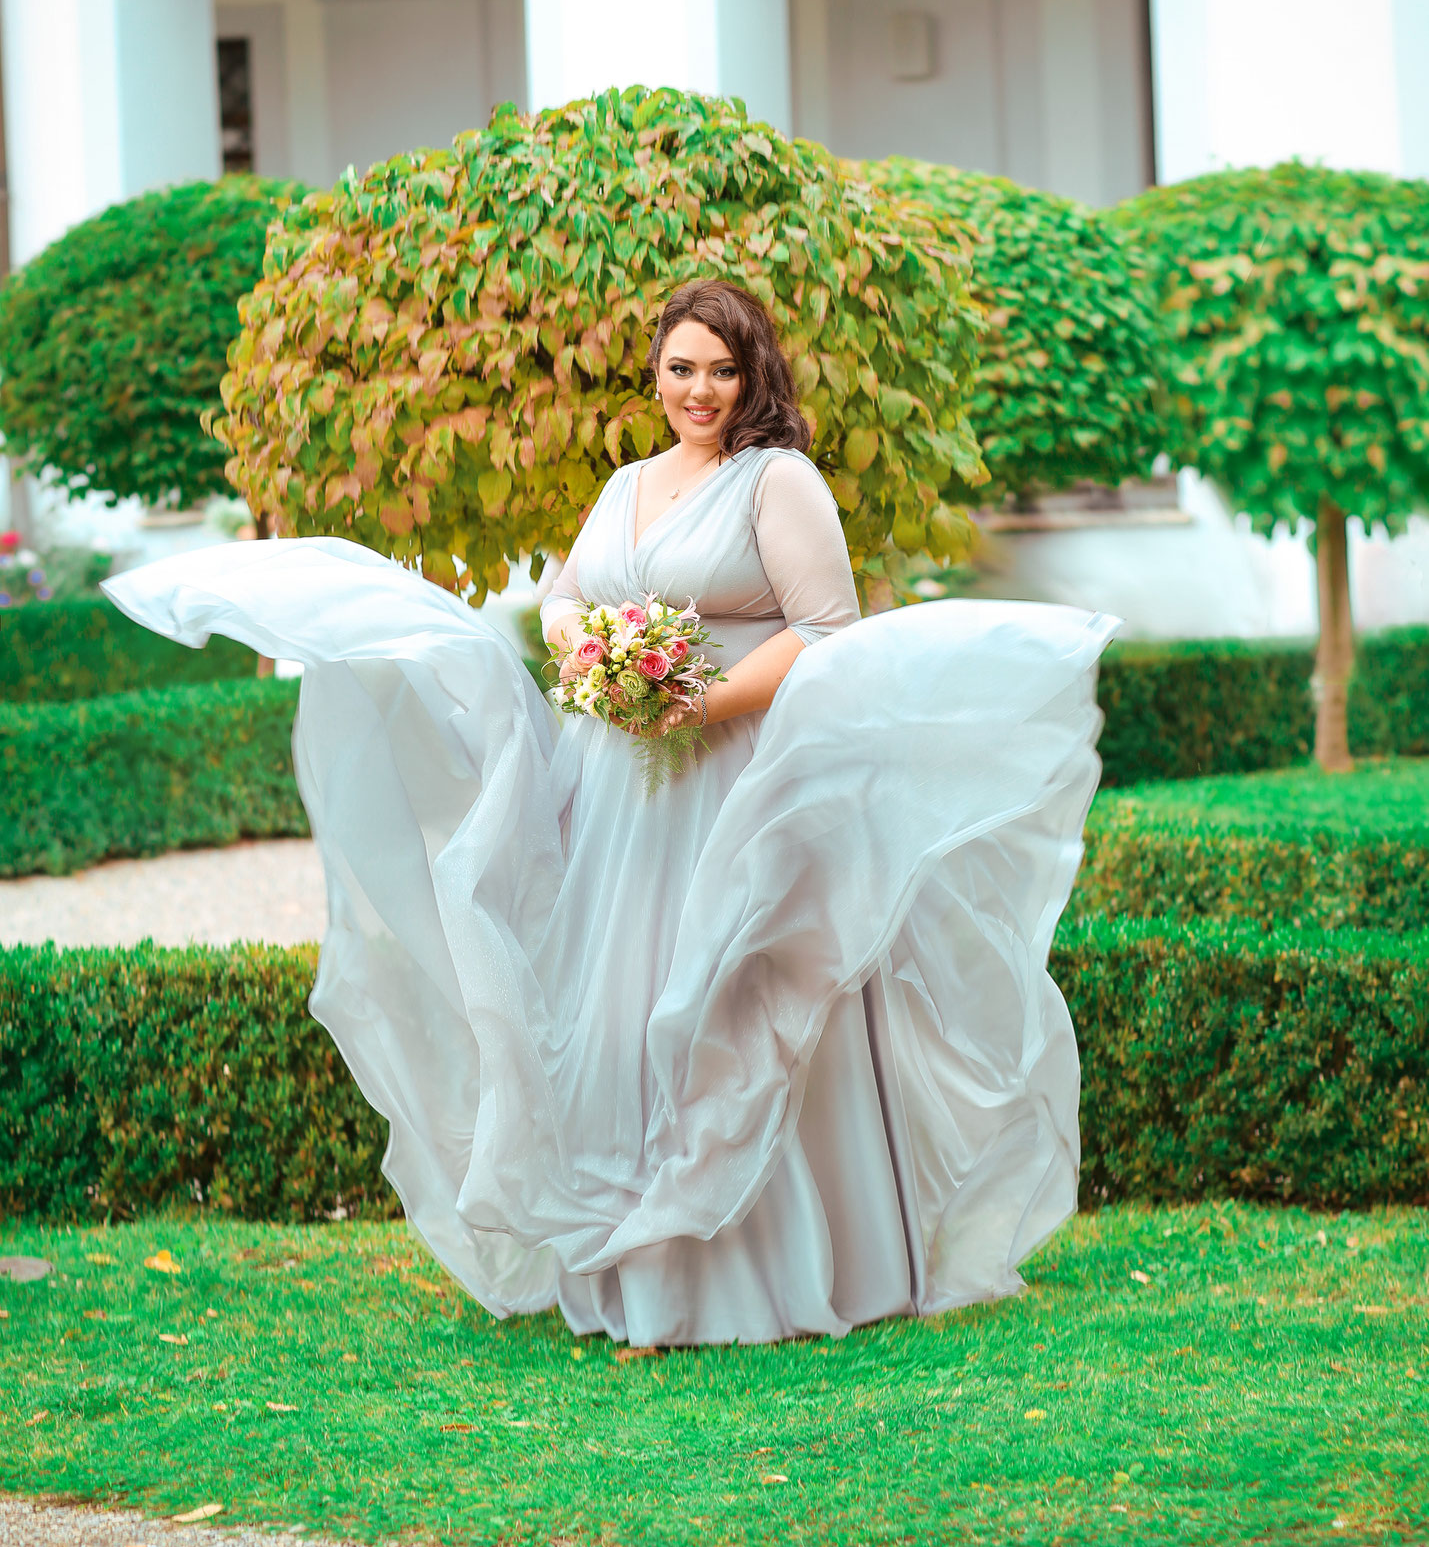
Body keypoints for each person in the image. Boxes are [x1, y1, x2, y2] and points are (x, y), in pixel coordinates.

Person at [105, 278, 1116, 1347]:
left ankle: (784, 1273)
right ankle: (638, 1268)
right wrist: (594, 662)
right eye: (682, 367)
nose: (700, 389)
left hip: (737, 775)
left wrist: (695, 698)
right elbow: (563, 594)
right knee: (621, 1007)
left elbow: (826, 625)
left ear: (752, 372)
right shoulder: (629, 480)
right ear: (655, 371)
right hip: (621, 781)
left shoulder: (779, 481)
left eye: (721, 369)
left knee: (738, 989)